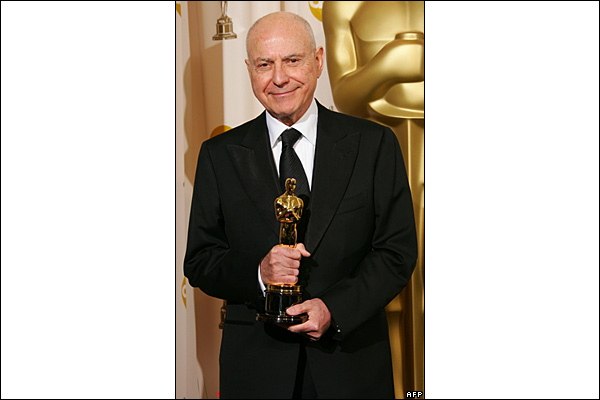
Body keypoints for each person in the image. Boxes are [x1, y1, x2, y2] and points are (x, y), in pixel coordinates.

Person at [184, 11, 417, 399]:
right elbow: (201, 260)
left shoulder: (374, 144)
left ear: (318, 60)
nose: (279, 78)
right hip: (255, 372)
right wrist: (259, 273)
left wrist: (333, 309)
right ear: (249, 69)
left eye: (292, 60)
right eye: (264, 64)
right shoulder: (219, 155)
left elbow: (396, 252)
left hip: (351, 365)